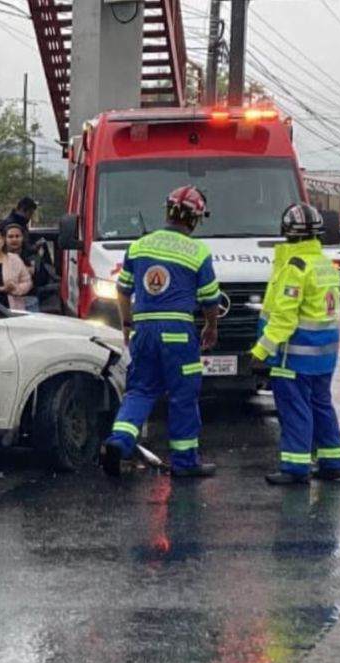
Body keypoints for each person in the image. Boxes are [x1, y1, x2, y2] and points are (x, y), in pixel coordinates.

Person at [101, 186, 220, 479]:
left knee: (140, 390)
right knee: (183, 396)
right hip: (178, 333)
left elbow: (123, 289)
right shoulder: (198, 252)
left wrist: (127, 325)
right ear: (194, 219)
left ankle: (120, 440)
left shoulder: (140, 245)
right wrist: (211, 326)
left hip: (143, 330)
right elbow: (210, 298)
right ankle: (185, 462)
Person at [253, 203, 340, 486]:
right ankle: (332, 462)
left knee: (295, 410)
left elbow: (283, 318)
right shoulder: (325, 266)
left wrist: (260, 351)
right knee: (321, 406)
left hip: (294, 355)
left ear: (287, 232)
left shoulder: (295, 268)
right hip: (324, 355)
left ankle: (295, 468)